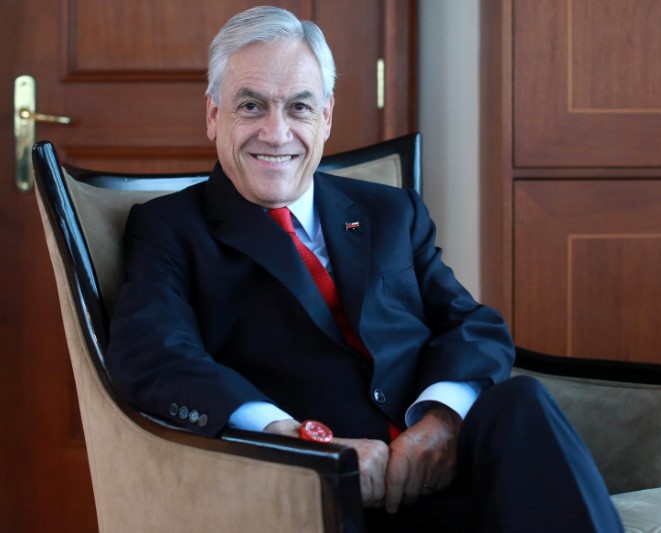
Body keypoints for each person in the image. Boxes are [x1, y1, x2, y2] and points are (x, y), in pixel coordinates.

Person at [106, 6, 623, 532]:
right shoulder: (171, 226)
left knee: (521, 402)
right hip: (323, 493)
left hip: (445, 472)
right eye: (251, 106)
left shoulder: (390, 211)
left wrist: (439, 423)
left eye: (299, 107)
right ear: (214, 115)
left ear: (326, 116)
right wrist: (297, 439)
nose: (276, 131)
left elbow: (471, 324)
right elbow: (153, 353)